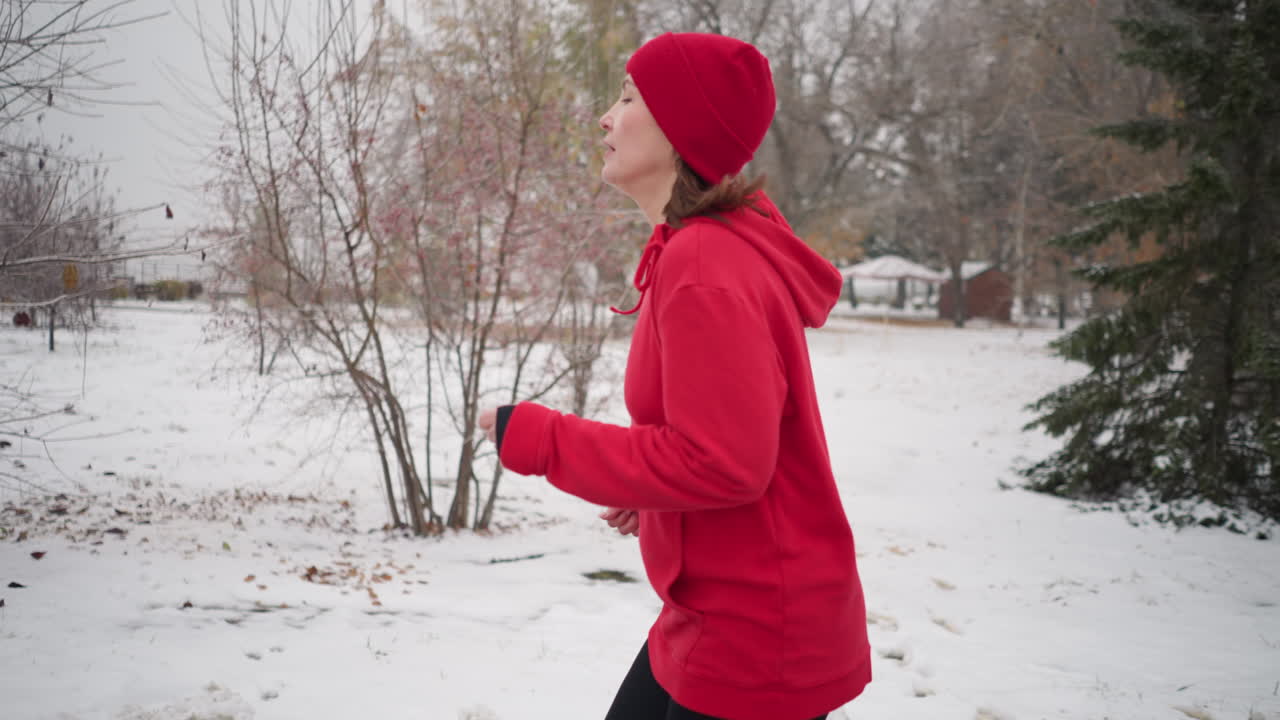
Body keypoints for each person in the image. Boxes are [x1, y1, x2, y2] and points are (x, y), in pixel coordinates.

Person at [478, 31, 870, 720]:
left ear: (678, 129)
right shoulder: (701, 250)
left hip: (756, 638)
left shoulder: (705, 265)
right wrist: (654, 490)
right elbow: (721, 440)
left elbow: (723, 464)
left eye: (627, 97)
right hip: (712, 612)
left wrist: (544, 438)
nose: (605, 116)